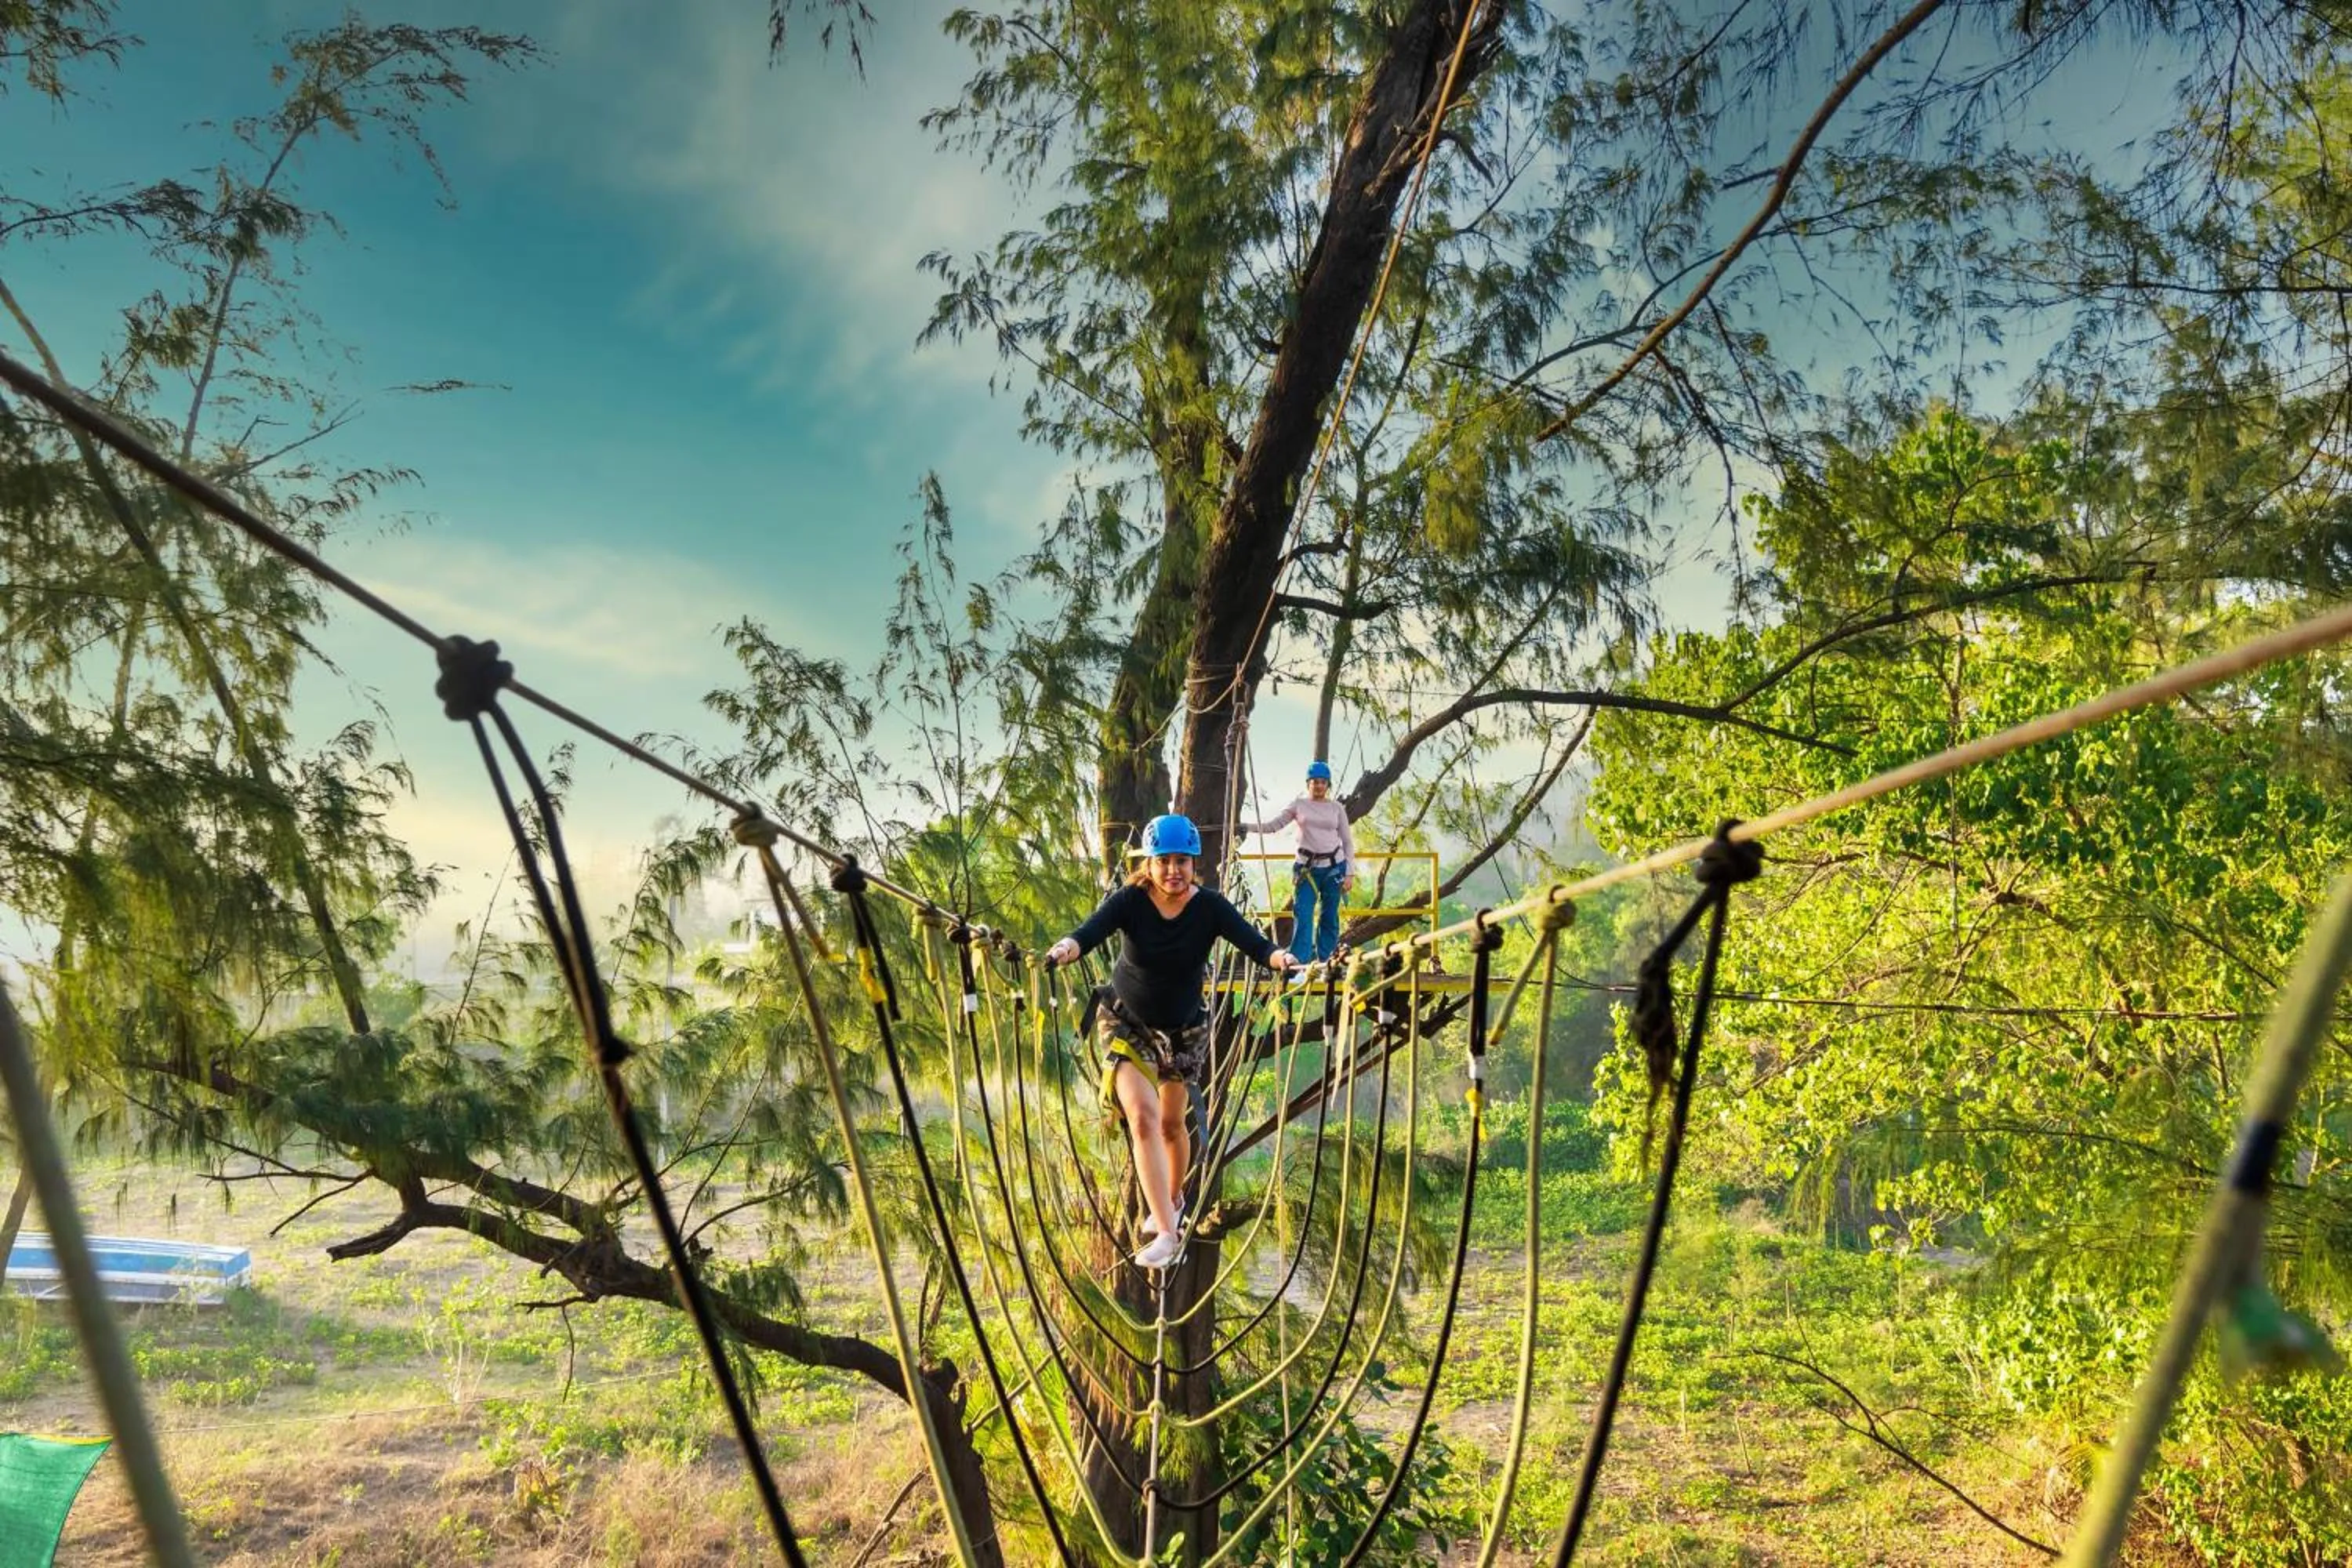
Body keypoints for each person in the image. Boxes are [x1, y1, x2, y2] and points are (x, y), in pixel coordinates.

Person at [1047, 813, 1298, 1269]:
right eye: (1164, 862)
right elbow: (1091, 930)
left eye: (1182, 861)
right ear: (1150, 863)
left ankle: (1174, 1198)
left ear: (1193, 863)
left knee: (1170, 1126)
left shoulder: (1210, 907)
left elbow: (1252, 942)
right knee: (1141, 1119)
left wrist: (1279, 958)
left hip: (1184, 1029)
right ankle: (1167, 1231)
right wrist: (1067, 948)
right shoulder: (1131, 901)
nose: (1173, 871)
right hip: (1127, 1024)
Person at [1240, 760, 1356, 965]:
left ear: (1328, 785)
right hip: (1307, 869)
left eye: (1322, 782)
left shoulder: (1337, 808)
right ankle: (1299, 964)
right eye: (1314, 782)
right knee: (1303, 915)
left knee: (1329, 916)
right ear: (1308, 783)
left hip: (1334, 867)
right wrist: (1246, 827)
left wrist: (1350, 872)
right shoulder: (1298, 805)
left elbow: (1347, 841)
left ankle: (1327, 960)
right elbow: (1273, 825)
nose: (1318, 786)